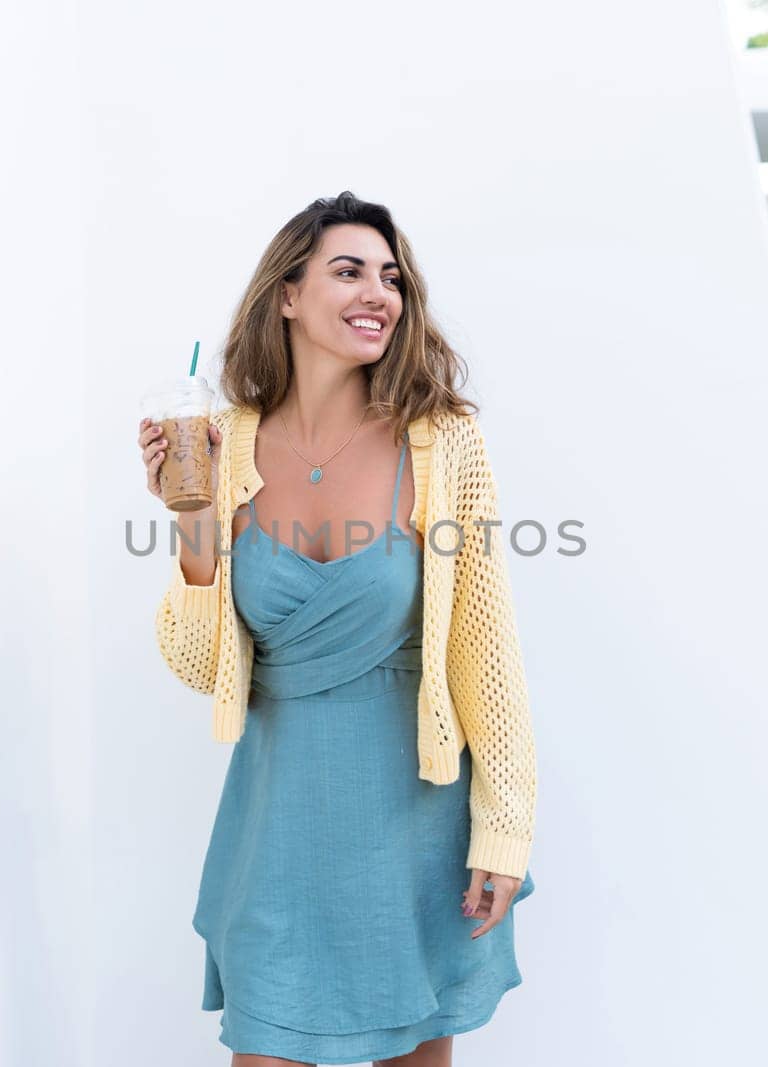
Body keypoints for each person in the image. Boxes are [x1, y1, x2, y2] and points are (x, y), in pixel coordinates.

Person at [139, 191, 538, 1066]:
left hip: (419, 822)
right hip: (278, 825)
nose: (378, 293)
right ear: (287, 294)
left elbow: (486, 649)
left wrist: (503, 831)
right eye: (349, 270)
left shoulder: (442, 442)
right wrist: (193, 518)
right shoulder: (222, 438)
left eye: (391, 276)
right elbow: (201, 665)